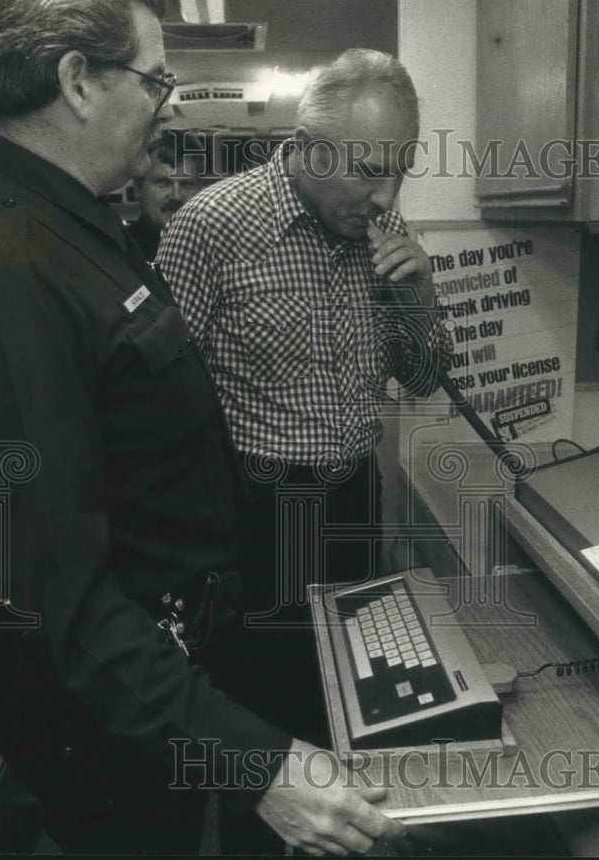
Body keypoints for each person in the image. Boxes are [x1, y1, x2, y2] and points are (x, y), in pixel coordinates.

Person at [0, 0, 405, 855]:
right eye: (156, 80)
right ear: (77, 80)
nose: (168, 110)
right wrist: (256, 764)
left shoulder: (76, 225)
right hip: (104, 722)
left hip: (161, 677)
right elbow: (69, 594)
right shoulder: (0, 270)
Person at [158, 48, 448, 742]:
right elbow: (153, 403)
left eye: (400, 171)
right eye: (369, 172)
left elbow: (424, 377)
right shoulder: (210, 226)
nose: (387, 197)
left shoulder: (386, 234)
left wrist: (419, 298)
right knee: (265, 727)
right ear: (309, 150)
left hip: (354, 499)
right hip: (256, 517)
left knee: (355, 706)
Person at [126, 130, 203, 261]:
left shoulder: (216, 252)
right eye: (163, 183)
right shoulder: (118, 253)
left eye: (186, 184)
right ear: (138, 188)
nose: (176, 196)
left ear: (200, 190)